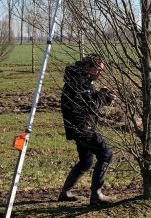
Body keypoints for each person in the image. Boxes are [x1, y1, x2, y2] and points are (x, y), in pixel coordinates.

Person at [58, 54, 116, 206]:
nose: (100, 73)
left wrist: (101, 94)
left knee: (86, 161)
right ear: (89, 67)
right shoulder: (80, 82)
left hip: (77, 126)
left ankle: (65, 193)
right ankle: (96, 196)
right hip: (83, 127)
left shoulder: (79, 79)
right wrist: (104, 96)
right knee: (106, 154)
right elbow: (89, 106)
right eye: (98, 70)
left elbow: (87, 100)